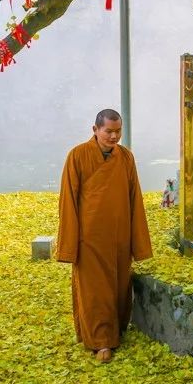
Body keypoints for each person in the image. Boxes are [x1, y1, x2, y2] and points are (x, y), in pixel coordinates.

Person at [56, 109, 153, 363]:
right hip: (89, 238)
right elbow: (68, 200)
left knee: (120, 286)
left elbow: (135, 198)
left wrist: (137, 240)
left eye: (118, 131)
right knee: (94, 291)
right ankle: (101, 343)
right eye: (108, 131)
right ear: (95, 130)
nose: (113, 136)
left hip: (119, 235)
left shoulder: (126, 157)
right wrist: (69, 244)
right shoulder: (77, 156)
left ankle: (116, 331)